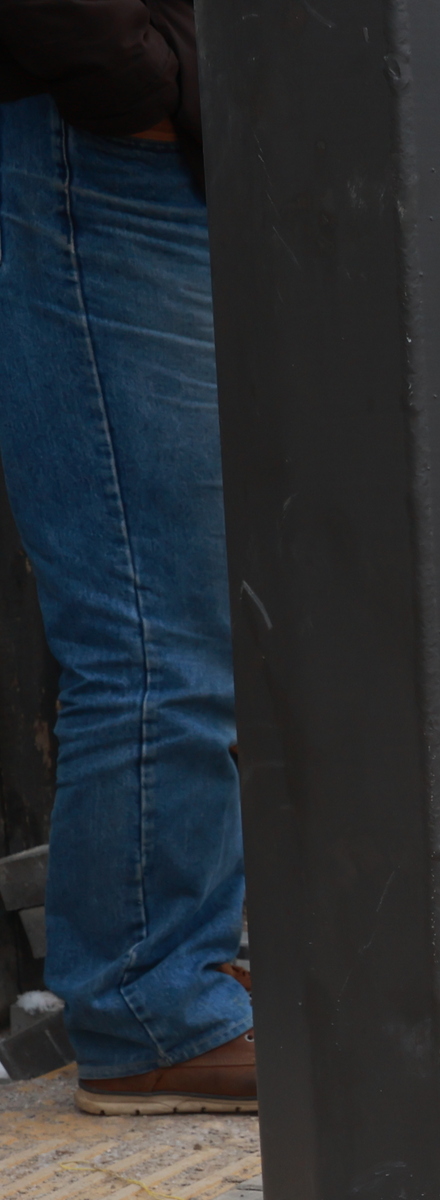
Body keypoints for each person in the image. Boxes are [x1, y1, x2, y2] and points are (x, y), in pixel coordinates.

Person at [0, 0, 255, 1112]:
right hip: (97, 141)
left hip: (147, 141)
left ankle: (183, 965)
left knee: (189, 608)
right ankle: (151, 1005)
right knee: (157, 618)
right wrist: (133, 75)